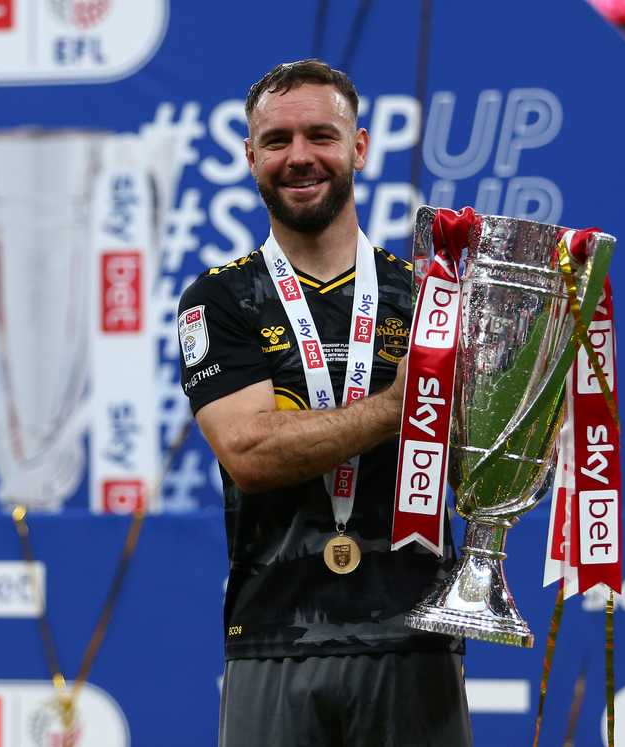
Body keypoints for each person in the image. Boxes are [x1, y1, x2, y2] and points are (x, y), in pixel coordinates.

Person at [177, 59, 472, 746]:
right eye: (277, 141)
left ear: (359, 148)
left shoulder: (429, 297)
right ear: (250, 158)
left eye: (320, 135)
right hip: (274, 639)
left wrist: (524, 419)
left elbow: (473, 473)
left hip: (417, 641)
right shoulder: (221, 298)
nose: (299, 156)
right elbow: (249, 450)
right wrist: (401, 406)